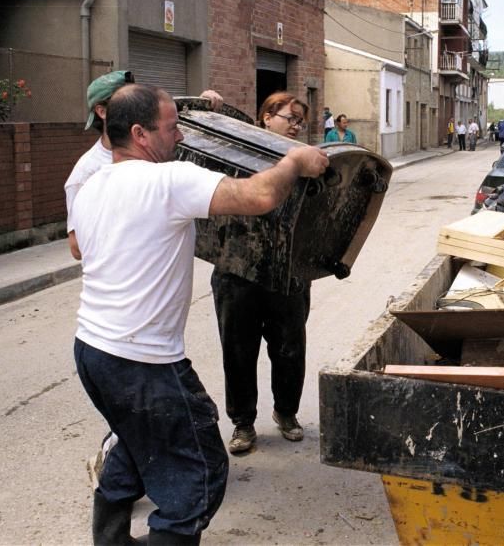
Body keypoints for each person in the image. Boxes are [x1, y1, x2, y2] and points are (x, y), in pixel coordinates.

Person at [72, 84, 328, 545]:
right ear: (139, 134)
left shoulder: (93, 185)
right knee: (200, 471)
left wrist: (207, 106)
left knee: (134, 443)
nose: (182, 138)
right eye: (172, 129)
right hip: (143, 363)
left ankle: (111, 540)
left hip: (92, 351)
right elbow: (260, 196)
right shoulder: (167, 180)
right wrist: (293, 161)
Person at [210, 91, 318, 457]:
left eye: (301, 121)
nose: (296, 126)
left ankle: (286, 413)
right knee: (238, 351)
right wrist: (216, 104)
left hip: (287, 273)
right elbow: (222, 124)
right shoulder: (239, 149)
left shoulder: (305, 161)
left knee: (289, 348)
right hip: (236, 270)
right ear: (267, 117)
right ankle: (243, 423)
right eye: (290, 117)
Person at [64, 70, 133, 261]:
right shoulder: (86, 172)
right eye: (125, 102)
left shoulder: (149, 149)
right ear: (101, 111)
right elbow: (77, 247)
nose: (136, 108)